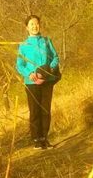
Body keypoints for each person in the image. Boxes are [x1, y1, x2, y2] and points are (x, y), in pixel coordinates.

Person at [15, 14, 61, 149]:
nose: (35, 26)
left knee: (45, 110)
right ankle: (36, 140)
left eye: (36, 23)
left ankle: (44, 138)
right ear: (27, 28)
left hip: (47, 81)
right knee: (35, 111)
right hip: (32, 83)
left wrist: (48, 69)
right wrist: (30, 74)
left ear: (39, 25)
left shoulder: (46, 41)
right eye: (31, 24)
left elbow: (55, 57)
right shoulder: (23, 45)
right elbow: (19, 65)